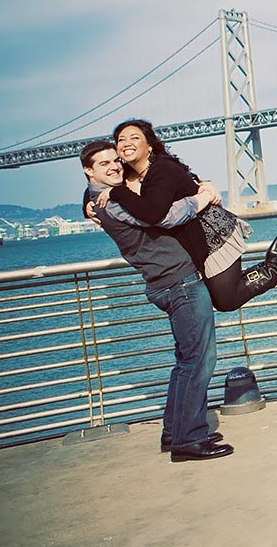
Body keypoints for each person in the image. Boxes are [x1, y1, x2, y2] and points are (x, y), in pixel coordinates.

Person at [81, 140, 233, 462]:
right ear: (88, 171)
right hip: (178, 281)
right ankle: (190, 439)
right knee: (200, 361)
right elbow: (161, 216)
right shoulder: (112, 202)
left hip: (166, 282)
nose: (114, 167)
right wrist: (203, 195)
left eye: (115, 161)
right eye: (103, 164)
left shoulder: (101, 199)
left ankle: (174, 431)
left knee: (185, 361)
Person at [90, 118, 277, 312]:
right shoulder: (128, 174)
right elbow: (96, 184)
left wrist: (117, 192)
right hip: (195, 242)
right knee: (222, 298)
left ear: (149, 145)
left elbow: (153, 214)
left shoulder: (161, 170)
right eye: (121, 139)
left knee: (226, 301)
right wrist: (88, 205)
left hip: (213, 235)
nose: (126, 142)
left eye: (134, 138)